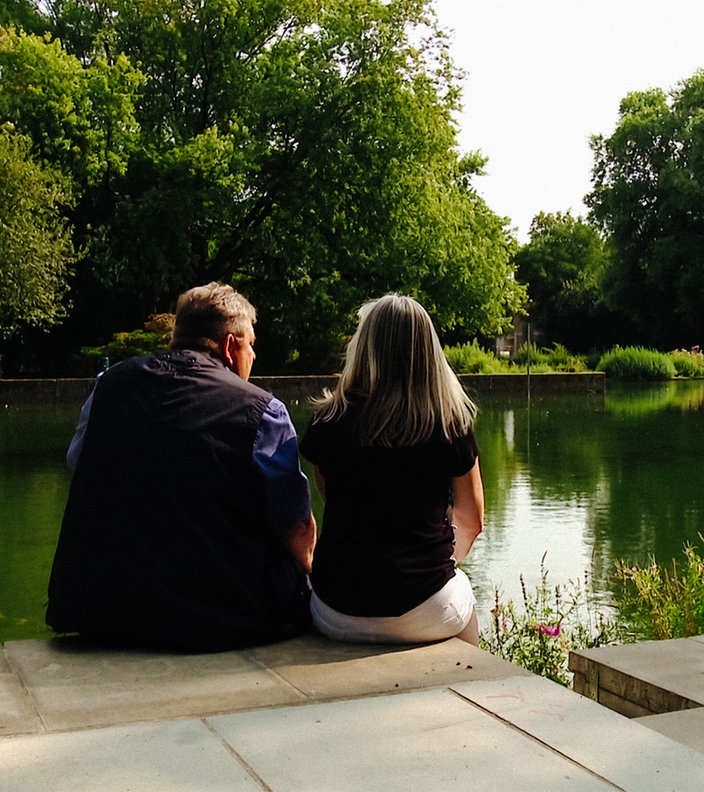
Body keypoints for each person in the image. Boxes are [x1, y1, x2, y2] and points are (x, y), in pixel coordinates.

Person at [47, 282, 316, 652]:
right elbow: (297, 528)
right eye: (250, 344)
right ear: (229, 345)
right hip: (222, 617)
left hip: (101, 610)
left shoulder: (108, 387)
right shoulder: (263, 410)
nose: (253, 354)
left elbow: (79, 462)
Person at [300, 294, 484, 645]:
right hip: (426, 609)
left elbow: (329, 496)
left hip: (336, 610)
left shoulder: (328, 420)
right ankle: (470, 686)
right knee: (461, 598)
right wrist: (436, 568)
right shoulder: (449, 423)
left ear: (364, 345)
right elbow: (472, 519)